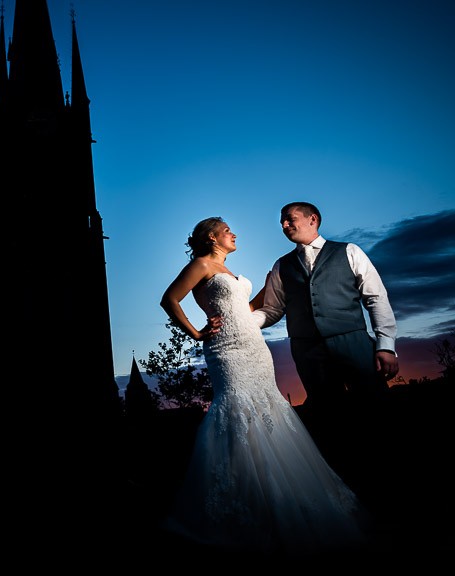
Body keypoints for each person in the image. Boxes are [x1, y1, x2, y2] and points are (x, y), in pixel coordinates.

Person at [158, 217, 371, 557]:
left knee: (269, 411)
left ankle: (280, 499)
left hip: (255, 349)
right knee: (237, 411)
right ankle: (244, 507)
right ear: (213, 236)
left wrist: (273, 283)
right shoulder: (200, 265)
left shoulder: (228, 271)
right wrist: (197, 334)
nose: (234, 234)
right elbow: (170, 299)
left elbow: (246, 309)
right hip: (226, 350)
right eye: (228, 230)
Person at [253, 202, 397, 502]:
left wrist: (385, 345)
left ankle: (389, 484)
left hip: (353, 342)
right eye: (281, 222)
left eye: (289, 220)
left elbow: (376, 298)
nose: (283, 226)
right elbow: (273, 309)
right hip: (307, 351)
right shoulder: (282, 265)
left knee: (375, 411)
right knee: (328, 419)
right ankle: (347, 490)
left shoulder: (349, 252)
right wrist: (243, 321)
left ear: (312, 219)